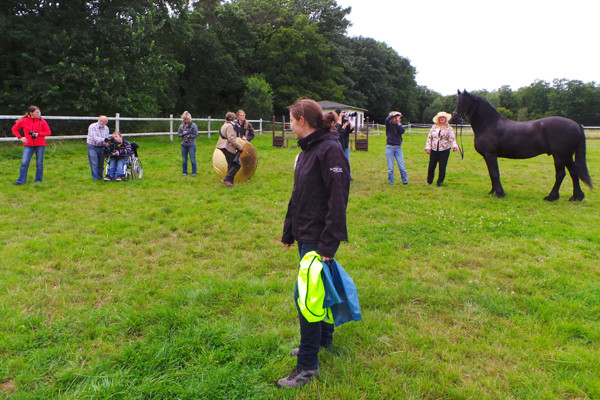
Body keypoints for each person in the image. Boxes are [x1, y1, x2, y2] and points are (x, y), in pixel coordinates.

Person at [279, 99, 350, 389]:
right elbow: (299, 195)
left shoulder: (330, 150)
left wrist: (328, 245)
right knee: (315, 293)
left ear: (302, 120)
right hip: (305, 233)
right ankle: (323, 340)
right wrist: (288, 231)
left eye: (291, 120)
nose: (289, 125)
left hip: (319, 238)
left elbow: (338, 199)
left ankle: (307, 365)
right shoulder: (307, 150)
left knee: (305, 299)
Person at [11, 105, 51, 185]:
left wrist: (38, 134)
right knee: (24, 163)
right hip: (28, 144)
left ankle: (38, 181)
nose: (38, 113)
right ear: (31, 113)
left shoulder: (42, 121)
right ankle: (21, 181)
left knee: (39, 164)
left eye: (39, 112)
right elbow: (14, 129)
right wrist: (20, 137)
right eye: (36, 112)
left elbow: (48, 132)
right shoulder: (24, 121)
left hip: (40, 144)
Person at [425, 111, 459, 186]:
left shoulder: (449, 128)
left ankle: (439, 182)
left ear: (446, 119)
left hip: (444, 150)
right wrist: (428, 147)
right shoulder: (434, 127)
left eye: (443, 117)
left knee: (442, 166)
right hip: (434, 149)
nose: (442, 119)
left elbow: (452, 138)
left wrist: (454, 145)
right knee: (431, 165)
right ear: (438, 119)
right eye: (440, 117)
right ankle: (429, 181)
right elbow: (429, 137)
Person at [216, 112, 245, 187]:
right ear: (233, 118)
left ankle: (229, 182)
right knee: (237, 164)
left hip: (222, 146)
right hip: (227, 147)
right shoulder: (230, 126)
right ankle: (226, 179)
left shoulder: (224, 125)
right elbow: (231, 139)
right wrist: (239, 146)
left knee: (231, 164)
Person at [385, 111, 408, 185]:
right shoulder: (389, 125)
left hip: (398, 148)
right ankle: (390, 182)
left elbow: (402, 131)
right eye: (395, 118)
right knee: (390, 168)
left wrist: (399, 123)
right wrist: (393, 115)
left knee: (402, 166)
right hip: (390, 147)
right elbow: (387, 120)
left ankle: (405, 181)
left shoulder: (399, 126)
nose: (396, 119)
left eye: (398, 118)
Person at [87, 115, 111, 180]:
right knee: (94, 162)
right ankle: (95, 178)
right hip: (92, 146)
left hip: (101, 147)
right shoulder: (92, 126)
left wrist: (107, 143)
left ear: (106, 122)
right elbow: (94, 137)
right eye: (101, 120)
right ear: (98, 120)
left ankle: (100, 177)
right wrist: (104, 140)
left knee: (101, 163)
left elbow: (106, 139)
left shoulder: (106, 128)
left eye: (104, 121)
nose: (102, 122)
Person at [177, 111, 199, 176]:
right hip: (183, 145)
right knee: (184, 160)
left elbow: (196, 134)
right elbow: (178, 134)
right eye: (185, 119)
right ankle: (184, 172)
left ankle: (194, 172)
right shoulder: (181, 126)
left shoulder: (193, 125)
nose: (186, 120)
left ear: (190, 119)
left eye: (187, 119)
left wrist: (189, 135)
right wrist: (183, 134)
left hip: (191, 145)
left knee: (192, 159)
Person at [335, 109, 354, 180]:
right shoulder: (336, 123)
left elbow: (351, 129)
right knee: (339, 162)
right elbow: (339, 132)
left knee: (347, 161)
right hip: (338, 145)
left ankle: (349, 176)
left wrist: (348, 121)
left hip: (345, 144)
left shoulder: (345, 122)